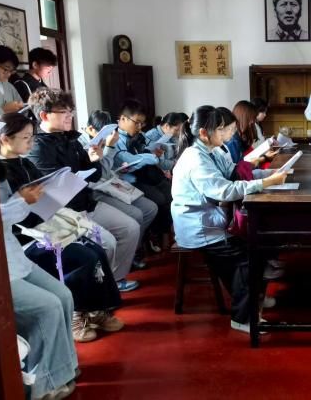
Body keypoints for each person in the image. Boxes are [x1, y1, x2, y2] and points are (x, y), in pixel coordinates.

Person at [0, 113, 123, 342]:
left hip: (46, 223)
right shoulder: (0, 172)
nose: (31, 143)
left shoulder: (25, 163)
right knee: (83, 257)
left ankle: (97, 309)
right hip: (27, 236)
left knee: (96, 249)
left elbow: (44, 193)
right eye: (26, 138)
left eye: (32, 137)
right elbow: (10, 216)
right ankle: (78, 313)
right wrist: (28, 201)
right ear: (5, 139)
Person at [171, 105, 287, 332]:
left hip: (213, 220)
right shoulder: (195, 158)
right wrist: (265, 183)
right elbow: (223, 190)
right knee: (249, 258)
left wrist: (269, 174)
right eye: (223, 129)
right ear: (204, 132)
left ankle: (254, 298)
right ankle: (243, 317)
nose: (229, 134)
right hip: (201, 227)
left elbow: (234, 174)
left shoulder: (212, 150)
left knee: (260, 246)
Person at [26, 88, 142, 292]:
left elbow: (94, 176)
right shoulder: (37, 146)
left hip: (86, 202)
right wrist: (81, 172)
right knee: (107, 243)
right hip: (63, 211)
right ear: (44, 115)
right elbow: (55, 187)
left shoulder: (70, 138)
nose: (69, 115)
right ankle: (99, 289)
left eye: (70, 111)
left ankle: (114, 280)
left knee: (130, 228)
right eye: (63, 112)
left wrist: (95, 159)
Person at [0, 147, 78, 399]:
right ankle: (44, 384)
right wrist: (21, 201)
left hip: (12, 255)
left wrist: (25, 198)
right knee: (47, 308)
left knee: (63, 295)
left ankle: (64, 368)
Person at [79, 109, 159, 262]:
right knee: (136, 214)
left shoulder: (111, 139)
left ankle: (133, 249)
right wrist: (108, 147)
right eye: (102, 134)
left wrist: (109, 149)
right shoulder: (81, 144)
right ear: (90, 129)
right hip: (95, 190)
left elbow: (108, 169)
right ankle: (128, 255)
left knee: (150, 208)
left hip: (111, 183)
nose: (106, 138)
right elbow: (100, 174)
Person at [114, 99, 172, 251]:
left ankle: (162, 235)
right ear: (123, 119)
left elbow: (149, 149)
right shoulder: (115, 138)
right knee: (158, 199)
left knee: (169, 193)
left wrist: (156, 152)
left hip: (145, 176)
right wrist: (150, 157)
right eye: (137, 123)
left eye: (142, 123)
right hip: (128, 181)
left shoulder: (139, 135)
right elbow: (127, 161)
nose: (140, 127)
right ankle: (149, 238)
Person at [0, 45, 23, 116]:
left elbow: (22, 108)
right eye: (5, 69)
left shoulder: (9, 86)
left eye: (11, 71)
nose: (8, 74)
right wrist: (3, 110)